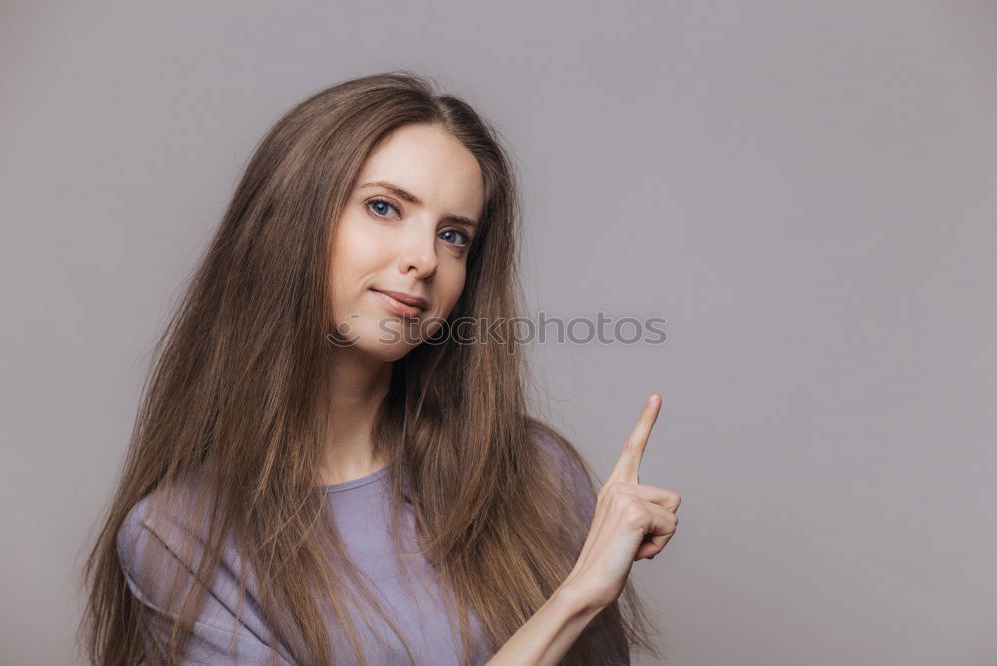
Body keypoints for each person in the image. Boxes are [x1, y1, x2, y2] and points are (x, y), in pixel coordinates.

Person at [77, 71, 680, 665]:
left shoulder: (534, 473)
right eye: (385, 207)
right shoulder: (180, 539)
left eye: (454, 236)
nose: (424, 259)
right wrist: (574, 601)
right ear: (289, 222)